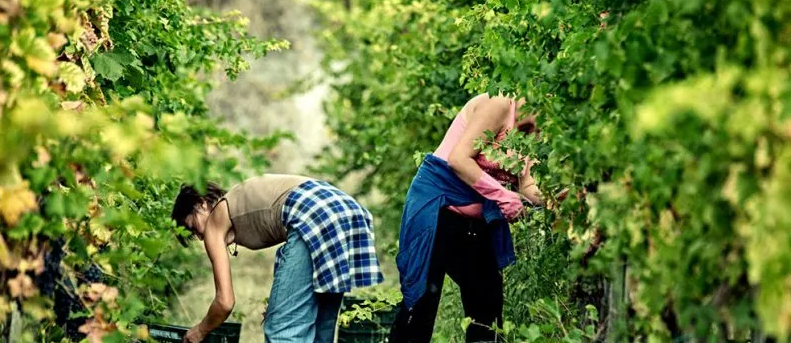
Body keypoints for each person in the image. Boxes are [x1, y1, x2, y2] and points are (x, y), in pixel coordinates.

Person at [390, 93, 544, 343]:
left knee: (487, 313)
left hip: (477, 223)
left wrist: (556, 199)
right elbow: (459, 159)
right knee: (420, 306)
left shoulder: (535, 132)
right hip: (437, 211)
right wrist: (504, 196)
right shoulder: (499, 104)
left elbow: (527, 183)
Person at [171, 174, 383, 343]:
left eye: (193, 227)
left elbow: (225, 302)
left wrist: (199, 331)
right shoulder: (238, 202)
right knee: (320, 329)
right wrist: (279, 300)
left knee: (283, 330)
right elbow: (289, 250)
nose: (199, 237)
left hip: (314, 214)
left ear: (201, 204)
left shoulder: (216, 219)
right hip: (343, 210)